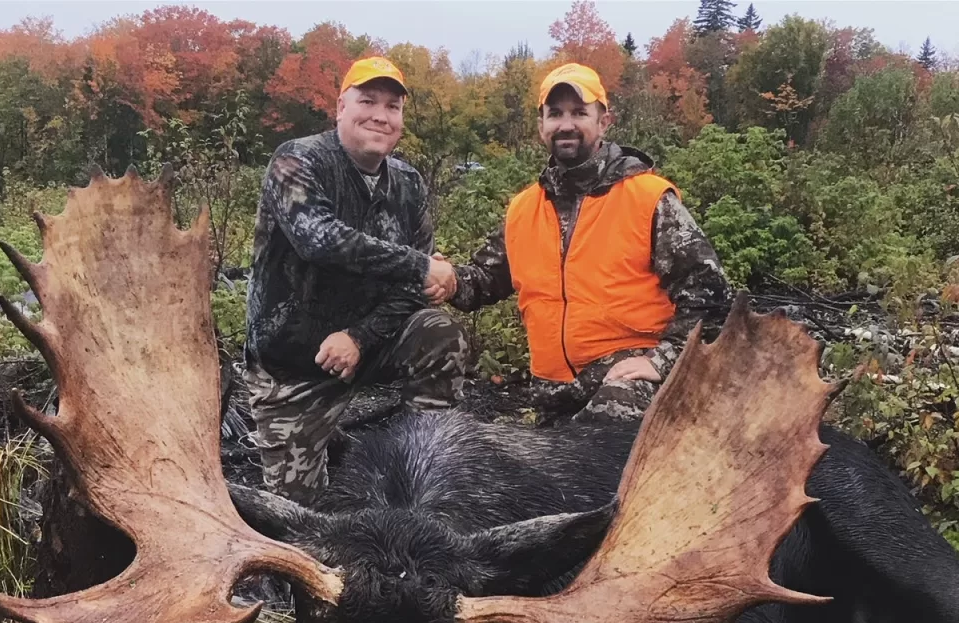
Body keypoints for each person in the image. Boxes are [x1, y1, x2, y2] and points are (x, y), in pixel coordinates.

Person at [440, 63, 731, 423]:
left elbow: (712, 296)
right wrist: (446, 277)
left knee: (610, 415)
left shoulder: (647, 198)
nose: (566, 125)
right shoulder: (524, 208)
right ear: (540, 126)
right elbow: (483, 281)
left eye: (580, 113)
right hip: (554, 397)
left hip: (625, 385)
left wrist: (663, 359)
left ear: (604, 121)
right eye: (555, 113)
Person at [244, 56, 465, 502]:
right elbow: (318, 239)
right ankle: (329, 442)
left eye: (393, 106)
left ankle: (424, 466)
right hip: (294, 367)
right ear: (340, 107)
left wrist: (360, 337)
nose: (380, 116)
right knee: (297, 516)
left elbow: (413, 289)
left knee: (438, 333)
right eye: (367, 101)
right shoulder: (296, 160)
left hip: (368, 344)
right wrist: (422, 265)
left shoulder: (408, 183)